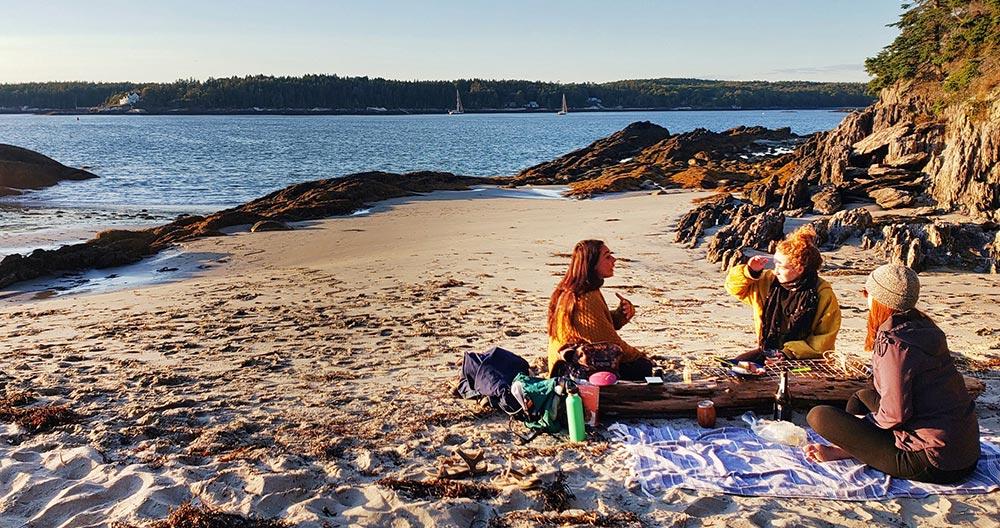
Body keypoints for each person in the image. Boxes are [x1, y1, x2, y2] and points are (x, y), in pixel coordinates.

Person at [804, 264, 980, 483]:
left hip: (931, 461)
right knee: (861, 397)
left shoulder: (894, 343)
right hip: (965, 452)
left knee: (819, 415)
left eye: (867, 293)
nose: (865, 298)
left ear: (879, 299)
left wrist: (865, 422)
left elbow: (896, 414)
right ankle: (850, 449)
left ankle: (853, 448)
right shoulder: (925, 327)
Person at [724, 224, 841, 363]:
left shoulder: (822, 293)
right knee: (735, 366)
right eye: (775, 264)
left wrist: (787, 353)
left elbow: (824, 339)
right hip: (768, 350)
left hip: (806, 358)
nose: (776, 271)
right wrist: (750, 272)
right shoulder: (768, 281)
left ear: (799, 269)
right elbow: (733, 288)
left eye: (782, 267)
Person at [547, 239, 652, 380]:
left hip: (563, 365)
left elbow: (594, 327)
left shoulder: (568, 290)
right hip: (573, 369)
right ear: (592, 264)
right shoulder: (585, 297)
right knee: (643, 367)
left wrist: (621, 315)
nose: (614, 260)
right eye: (607, 256)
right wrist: (640, 356)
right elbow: (609, 342)